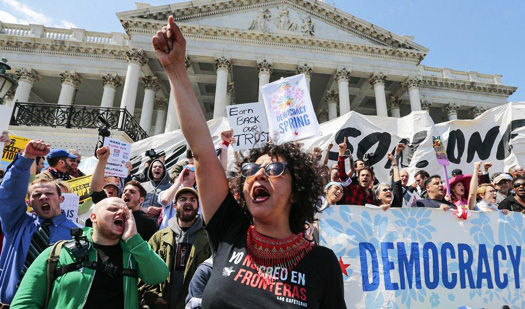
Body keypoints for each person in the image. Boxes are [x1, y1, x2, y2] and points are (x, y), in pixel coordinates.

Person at [152, 16, 345, 308]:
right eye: (251, 170)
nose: (259, 175)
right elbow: (203, 149)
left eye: (275, 169)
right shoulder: (229, 232)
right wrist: (176, 70)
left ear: (296, 191)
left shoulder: (322, 262)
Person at [11, 197, 169, 308]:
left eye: (126, 213)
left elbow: (158, 276)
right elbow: (25, 302)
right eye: (113, 209)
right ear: (93, 217)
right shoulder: (59, 252)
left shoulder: (134, 253)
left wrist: (134, 239)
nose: (121, 213)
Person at [0, 140, 77, 305]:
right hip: (11, 303)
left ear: (61, 199)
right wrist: (27, 158)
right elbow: (9, 194)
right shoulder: (17, 224)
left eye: (49, 193)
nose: (43, 197)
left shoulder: (77, 233)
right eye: (36, 195)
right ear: (28, 202)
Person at [140, 187, 210, 309]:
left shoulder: (208, 240)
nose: (188, 202)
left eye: (192, 200)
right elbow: (144, 269)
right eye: (183, 199)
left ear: (197, 207)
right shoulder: (159, 237)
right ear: (174, 206)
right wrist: (153, 296)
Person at [88, 147, 158, 240]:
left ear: (142, 199)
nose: (127, 193)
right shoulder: (111, 213)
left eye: (132, 192)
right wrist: (102, 160)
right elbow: (95, 189)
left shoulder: (149, 224)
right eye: (124, 191)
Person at [337, 137, 377, 205]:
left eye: (367, 175)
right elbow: (342, 175)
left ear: (372, 179)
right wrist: (341, 153)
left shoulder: (374, 197)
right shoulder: (352, 189)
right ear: (358, 179)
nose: (365, 177)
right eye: (362, 175)